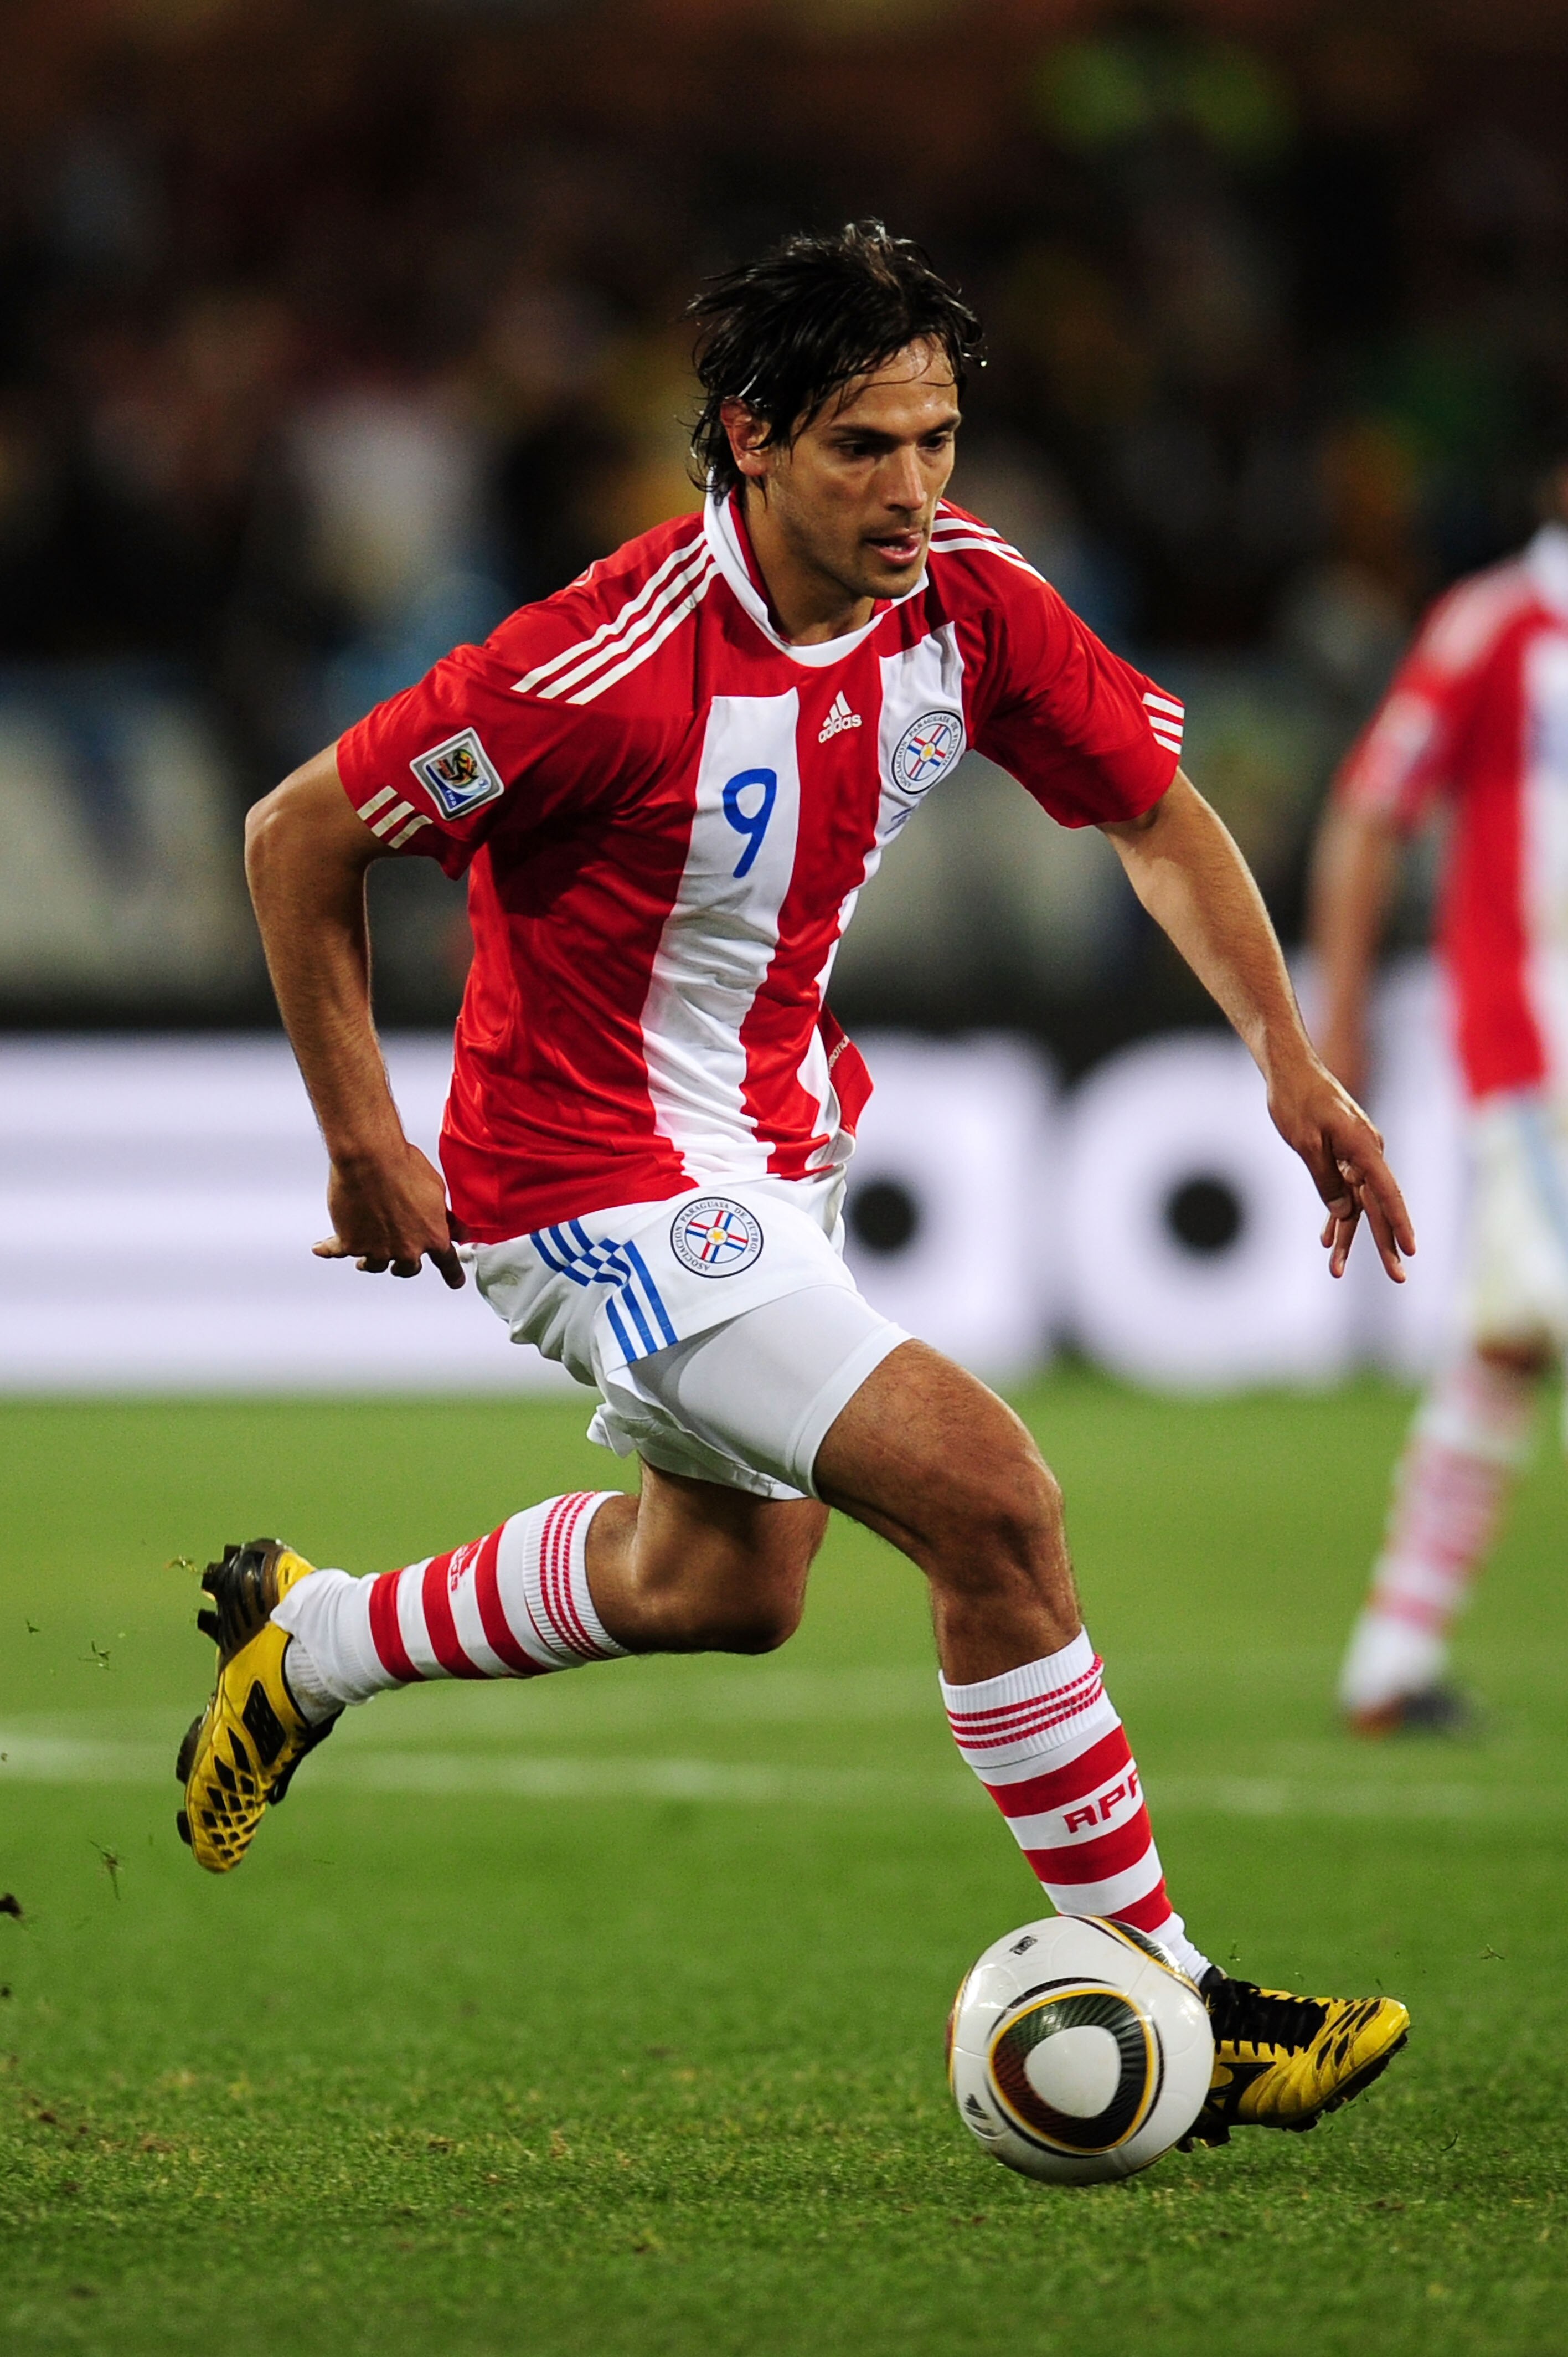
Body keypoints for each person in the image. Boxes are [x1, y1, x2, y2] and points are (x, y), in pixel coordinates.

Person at [178, 223, 1413, 2148]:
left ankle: (311, 1638)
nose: (916, 487)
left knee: (722, 1582)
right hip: (582, 1175)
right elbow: (296, 836)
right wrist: (363, 1133)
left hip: (766, 1154)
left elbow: (1152, 809)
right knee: (993, 1496)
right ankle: (1179, 1990)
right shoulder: (605, 660)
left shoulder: (971, 604)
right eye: (864, 448)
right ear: (747, 441)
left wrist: (1284, 1054)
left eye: (935, 438)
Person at [1314, 462, 1568, 1734]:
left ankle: (1392, 1652)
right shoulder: (1497, 627)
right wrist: (1338, 1021)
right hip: (1540, 1043)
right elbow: (1371, 813)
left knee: (1512, 1337)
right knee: (1532, 1321)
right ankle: (1390, 1652)